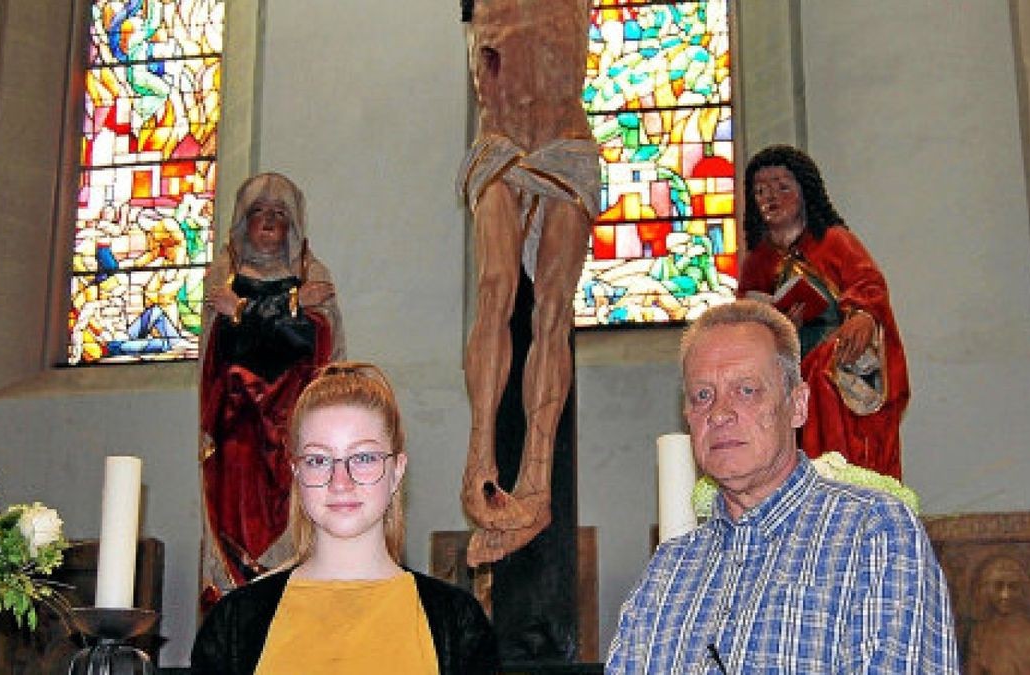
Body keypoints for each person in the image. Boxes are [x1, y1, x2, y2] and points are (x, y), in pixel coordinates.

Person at [607, 300, 958, 672]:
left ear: (797, 405)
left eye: (746, 390)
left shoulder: (873, 532)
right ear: (689, 416)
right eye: (703, 395)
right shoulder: (669, 570)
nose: (720, 413)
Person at [191, 362, 501, 675]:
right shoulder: (234, 624)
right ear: (296, 473)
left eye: (363, 457)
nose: (341, 481)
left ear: (397, 471)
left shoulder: (458, 623)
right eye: (318, 460)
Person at [456, 0, 601, 566]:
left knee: (552, 310)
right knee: (494, 289)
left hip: (565, 142)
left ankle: (536, 481)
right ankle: (479, 462)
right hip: (500, 142)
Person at [198, 172, 345, 607]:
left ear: (292, 228)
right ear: (243, 223)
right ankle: (238, 594)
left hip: (291, 424)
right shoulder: (224, 273)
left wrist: (246, 312)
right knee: (236, 507)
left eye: (278, 215)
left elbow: (315, 340)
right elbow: (222, 347)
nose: (267, 223)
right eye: (258, 213)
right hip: (238, 423)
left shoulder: (310, 273)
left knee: (294, 503)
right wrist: (290, 309)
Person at [738, 145, 910, 478]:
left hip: (833, 357)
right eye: (760, 191)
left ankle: (839, 474)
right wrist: (778, 326)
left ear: (805, 192)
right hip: (782, 363)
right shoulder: (758, 262)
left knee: (825, 371)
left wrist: (862, 316)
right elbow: (745, 319)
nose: (770, 198)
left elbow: (869, 287)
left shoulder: (834, 242)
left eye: (782, 187)